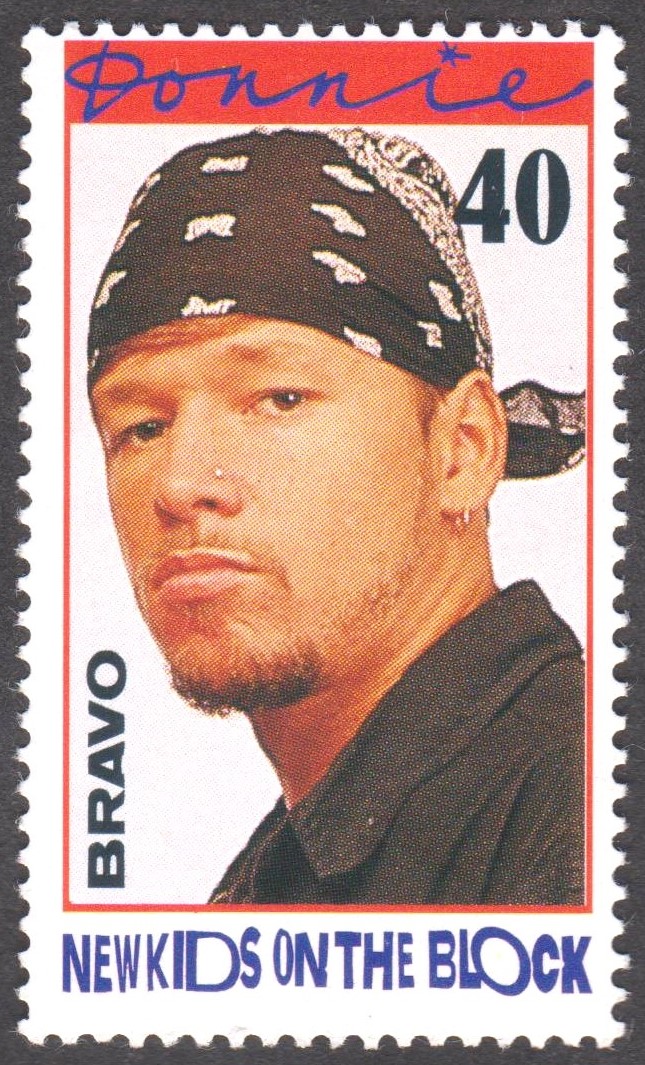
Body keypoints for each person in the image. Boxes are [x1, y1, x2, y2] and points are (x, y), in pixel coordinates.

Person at [88, 127, 586, 905]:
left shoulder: (584, 805)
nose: (180, 484)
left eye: (278, 399)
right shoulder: (296, 865)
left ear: (462, 450)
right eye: (142, 426)